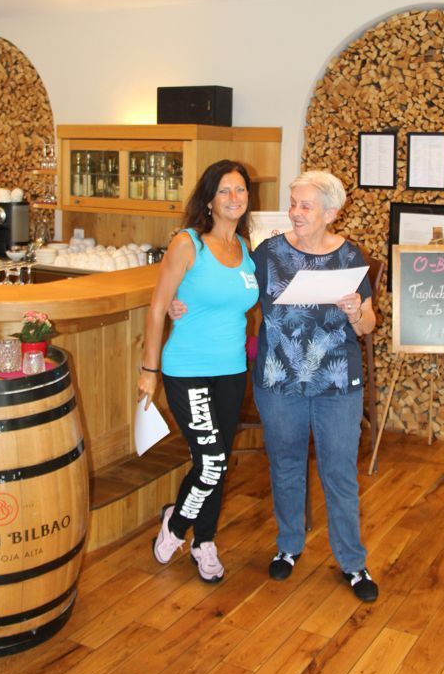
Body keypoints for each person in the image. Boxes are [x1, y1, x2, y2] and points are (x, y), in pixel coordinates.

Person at [251, 170, 378, 601]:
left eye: (305, 206)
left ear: (330, 213)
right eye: (293, 204)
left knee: (339, 471)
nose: (295, 213)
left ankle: (353, 563)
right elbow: (235, 293)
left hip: (337, 382)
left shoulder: (350, 256)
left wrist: (355, 311)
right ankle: (288, 546)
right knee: (285, 464)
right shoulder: (268, 253)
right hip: (278, 380)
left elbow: (368, 324)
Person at [137, 159, 259, 583]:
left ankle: (204, 540)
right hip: (187, 368)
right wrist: (149, 369)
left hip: (232, 370)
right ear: (209, 200)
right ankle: (175, 527)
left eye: (240, 190)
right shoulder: (188, 244)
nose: (233, 198)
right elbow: (157, 308)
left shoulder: (245, 249)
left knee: (217, 462)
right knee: (210, 461)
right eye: (224, 190)